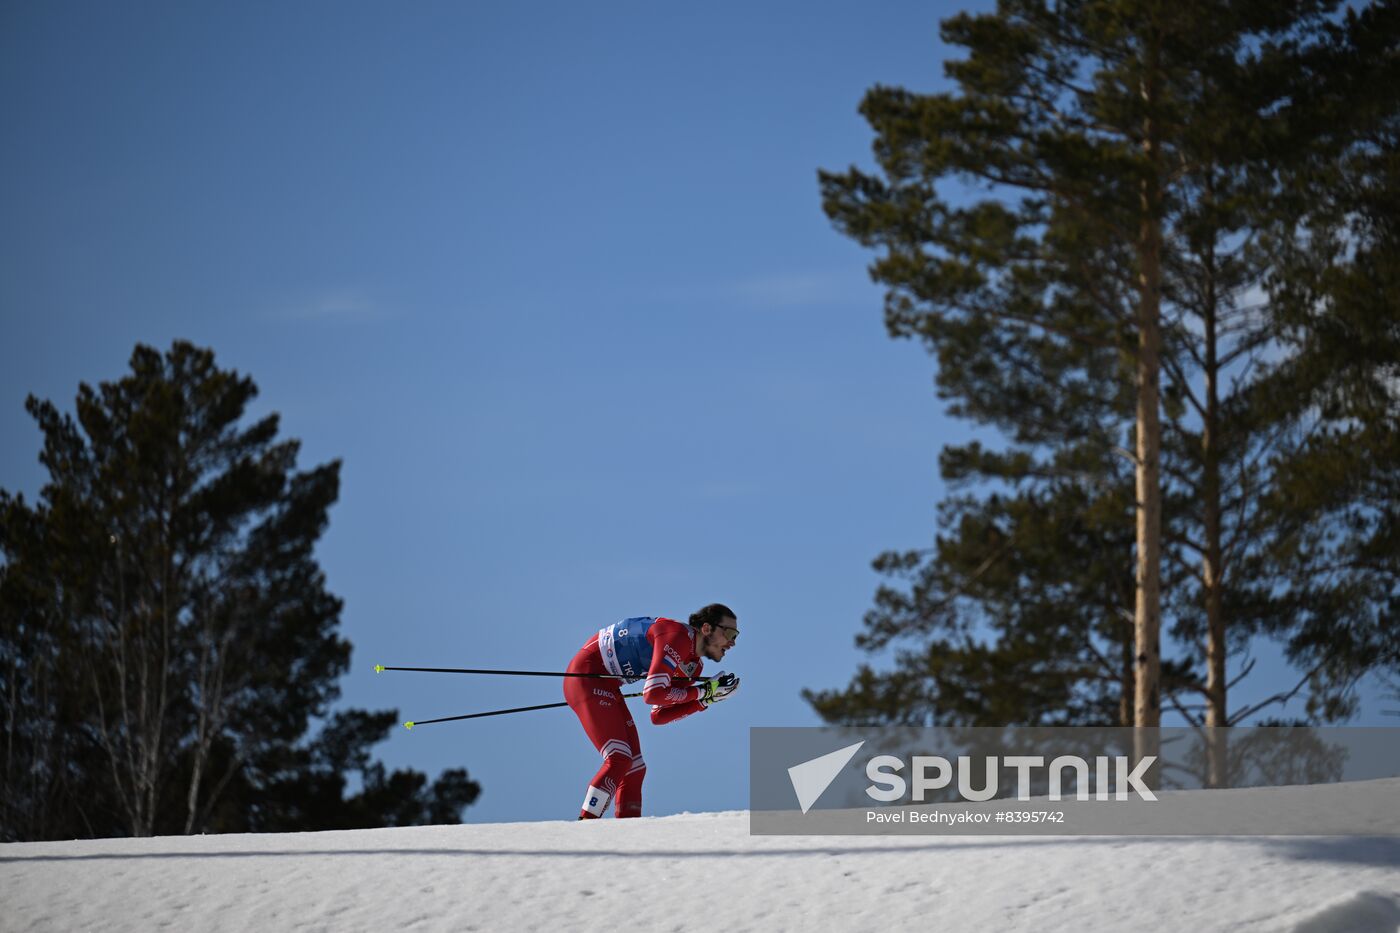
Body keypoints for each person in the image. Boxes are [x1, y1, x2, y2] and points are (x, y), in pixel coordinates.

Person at [563, 603, 740, 819]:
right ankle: (586, 825)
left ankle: (630, 834)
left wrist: (705, 700)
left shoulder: (693, 665)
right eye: (730, 633)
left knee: (635, 768)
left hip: (609, 686)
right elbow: (653, 694)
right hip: (586, 678)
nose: (732, 642)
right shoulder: (678, 636)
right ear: (706, 628)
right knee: (619, 758)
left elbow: (659, 715)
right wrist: (703, 692)